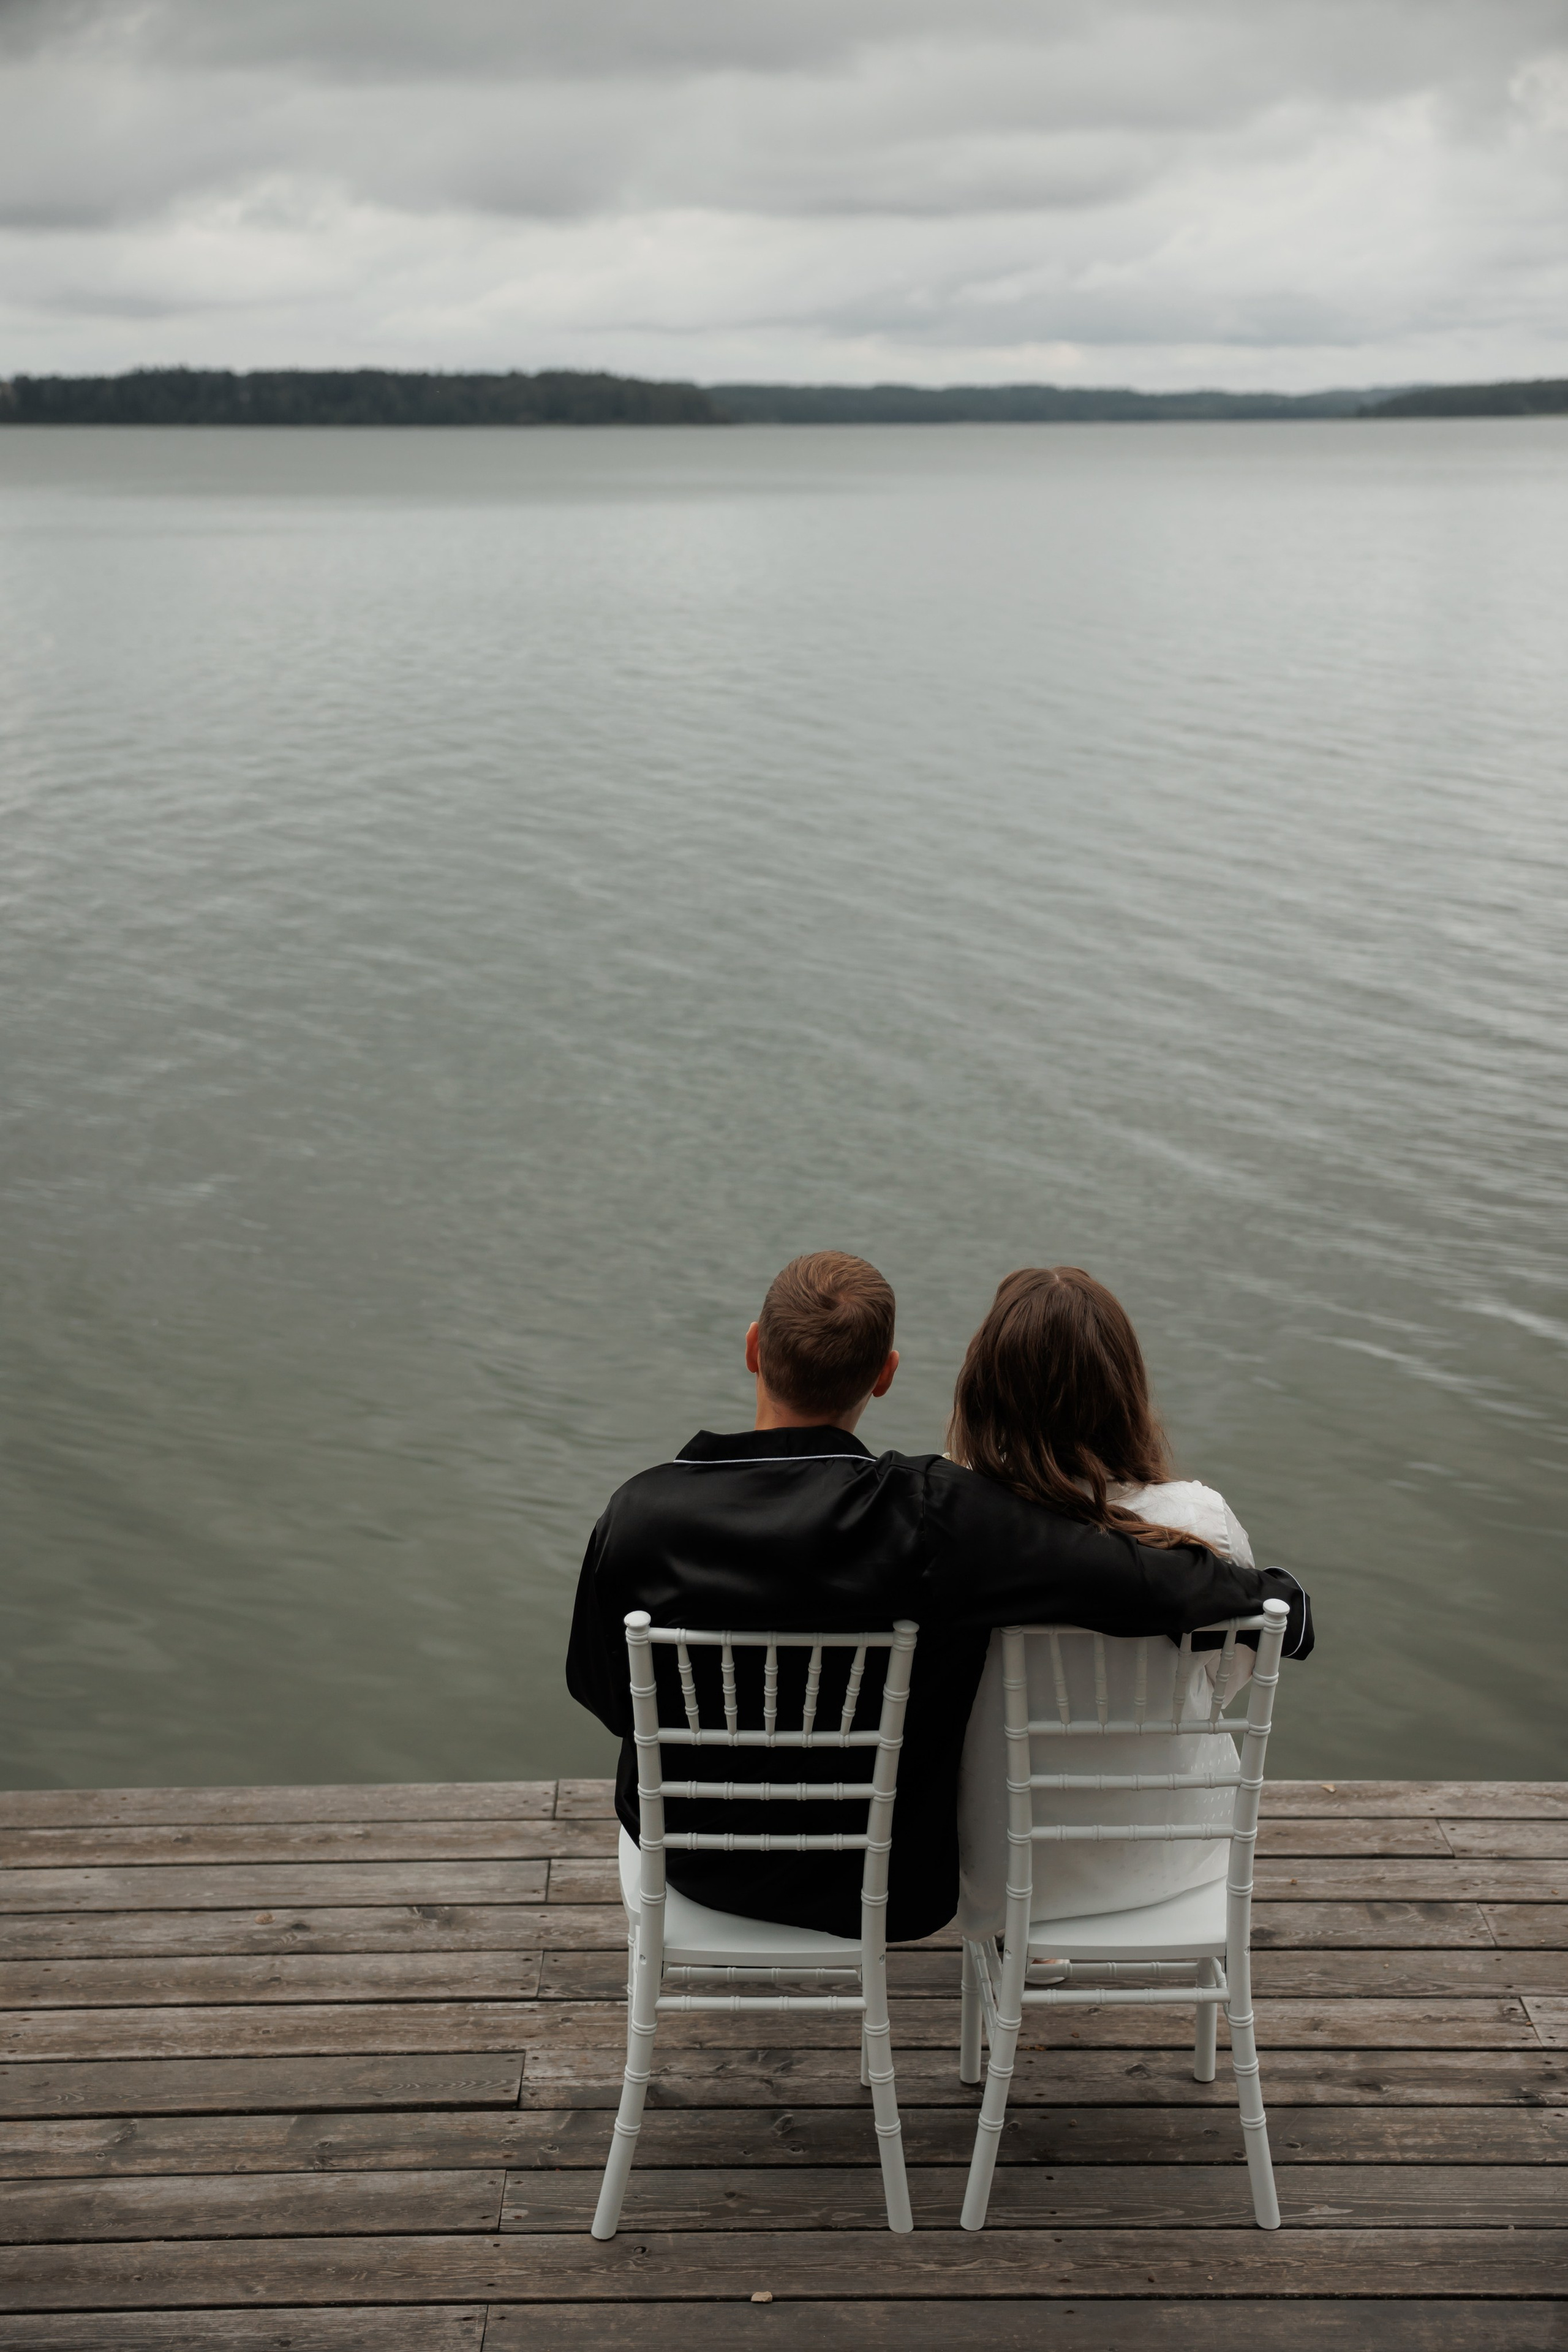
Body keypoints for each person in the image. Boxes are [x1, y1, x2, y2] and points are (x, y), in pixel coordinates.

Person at [566, 1250, 1311, 1945]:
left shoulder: (640, 1516)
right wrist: (1269, 1598)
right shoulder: (925, 1515)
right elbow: (1122, 1576)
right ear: (884, 1374)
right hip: (874, 1883)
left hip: (687, 1858)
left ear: (754, 1347)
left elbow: (603, 1694)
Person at [949, 1264, 1309, 1931]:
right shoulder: (1197, 1521)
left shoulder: (958, 1519)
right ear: (1124, 1388)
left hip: (1005, 1870)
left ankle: (1033, 1945)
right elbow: (1226, 1680)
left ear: (986, 1388)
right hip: (1182, 1857)